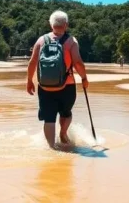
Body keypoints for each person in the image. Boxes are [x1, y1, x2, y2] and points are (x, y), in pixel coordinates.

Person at [26, 10, 89, 149]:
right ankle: (63, 133)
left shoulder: (41, 40)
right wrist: (84, 78)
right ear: (66, 25)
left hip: (44, 86)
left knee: (49, 118)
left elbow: (32, 62)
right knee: (66, 113)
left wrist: (29, 80)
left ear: (51, 24)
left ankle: (51, 147)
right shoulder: (71, 41)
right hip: (67, 86)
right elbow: (78, 63)